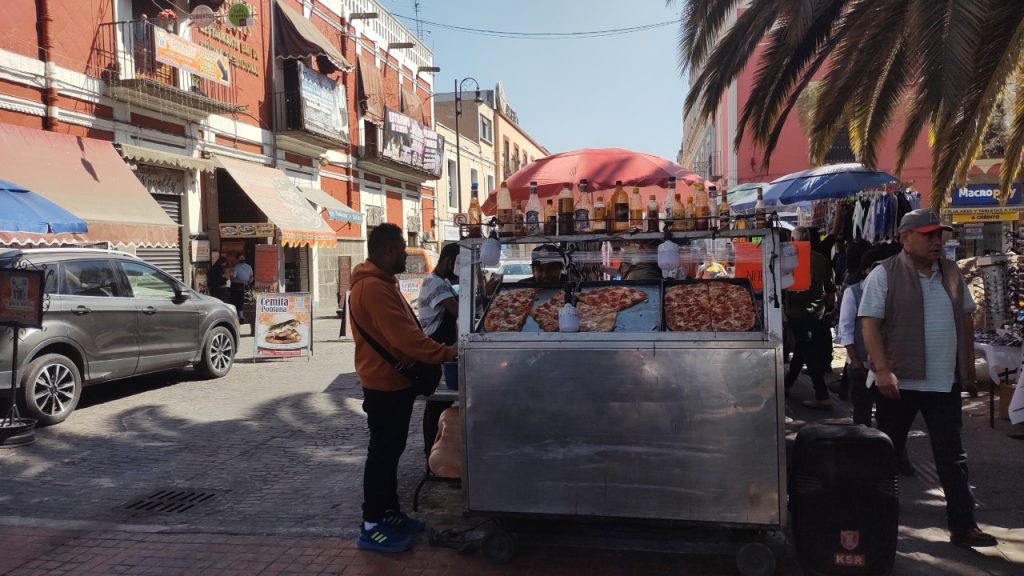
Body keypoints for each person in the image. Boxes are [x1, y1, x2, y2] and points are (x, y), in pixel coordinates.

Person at [859, 209, 997, 549]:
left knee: (952, 458)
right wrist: (881, 370)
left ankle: (963, 526)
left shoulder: (951, 272)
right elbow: (869, 324)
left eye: (940, 235)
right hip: (898, 384)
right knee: (885, 457)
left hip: (942, 383)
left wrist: (965, 367)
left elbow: (966, 317)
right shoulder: (885, 274)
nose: (937, 241)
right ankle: (873, 523)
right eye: (928, 235)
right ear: (906, 239)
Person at [349, 223, 457, 554]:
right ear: (384, 251)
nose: (404, 254)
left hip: (394, 383)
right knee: (382, 454)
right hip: (383, 385)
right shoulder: (373, 289)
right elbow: (406, 338)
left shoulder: (384, 284)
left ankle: (390, 513)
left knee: (391, 451)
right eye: (399, 248)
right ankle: (371, 525)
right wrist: (450, 353)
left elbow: (405, 331)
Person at [784, 226, 837, 409]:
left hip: (798, 314)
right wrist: (831, 311)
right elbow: (831, 290)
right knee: (802, 350)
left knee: (809, 354)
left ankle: (822, 395)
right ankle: (787, 384)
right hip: (816, 314)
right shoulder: (821, 260)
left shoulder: (790, 260)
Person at [417, 243, 461, 456]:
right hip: (434, 349)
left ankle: (436, 452)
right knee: (435, 405)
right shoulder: (435, 284)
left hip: (441, 349)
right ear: (449, 262)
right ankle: (431, 454)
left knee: (439, 405)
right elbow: (459, 309)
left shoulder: (442, 282)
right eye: (459, 266)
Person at [230, 253, 253, 321]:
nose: (242, 259)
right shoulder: (236, 267)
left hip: (247, 285)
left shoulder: (249, 266)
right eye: (240, 258)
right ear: (238, 260)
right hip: (238, 287)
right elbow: (233, 279)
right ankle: (241, 316)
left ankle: (245, 316)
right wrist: (242, 282)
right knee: (239, 301)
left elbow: (251, 275)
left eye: (243, 258)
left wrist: (251, 280)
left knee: (247, 301)